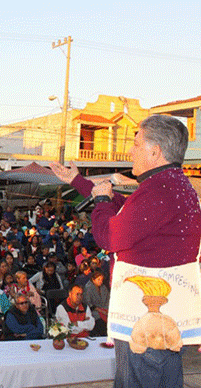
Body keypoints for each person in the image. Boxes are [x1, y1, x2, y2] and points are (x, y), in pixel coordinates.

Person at [51, 116, 201, 388]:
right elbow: (126, 209)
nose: (130, 151)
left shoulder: (159, 190)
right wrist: (78, 181)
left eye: (136, 143)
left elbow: (109, 236)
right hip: (164, 319)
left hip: (145, 322)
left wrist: (101, 202)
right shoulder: (173, 185)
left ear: (155, 152)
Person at [83, 271, 109, 337]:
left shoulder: (103, 287)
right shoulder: (88, 288)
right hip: (94, 310)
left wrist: (106, 309)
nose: (101, 281)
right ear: (93, 280)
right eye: (99, 279)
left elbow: (108, 299)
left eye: (102, 280)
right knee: (98, 318)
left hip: (105, 308)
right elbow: (87, 303)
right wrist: (100, 310)